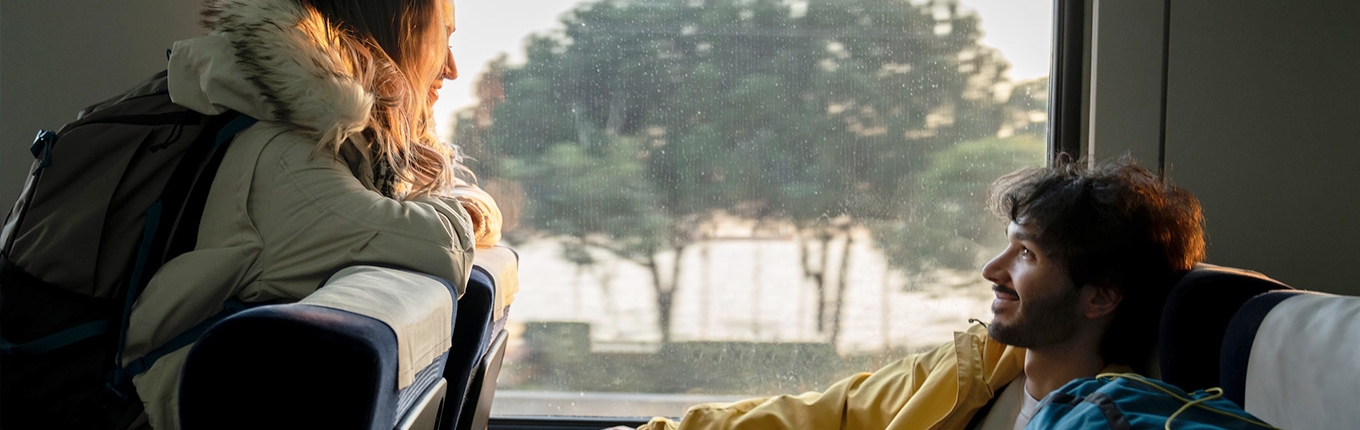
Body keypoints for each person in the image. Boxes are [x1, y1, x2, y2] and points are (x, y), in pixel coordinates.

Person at [612, 156, 1206, 430]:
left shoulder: (1111, 418)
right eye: (1007, 245)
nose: (991, 270)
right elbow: (822, 415)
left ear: (1100, 297)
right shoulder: (972, 370)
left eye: (1027, 255)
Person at [120, 0, 499, 428]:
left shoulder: (339, 147)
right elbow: (443, 245)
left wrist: (465, 207)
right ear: (396, 31)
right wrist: (464, 210)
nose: (451, 68)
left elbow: (453, 211)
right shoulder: (287, 158)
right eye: (444, 37)